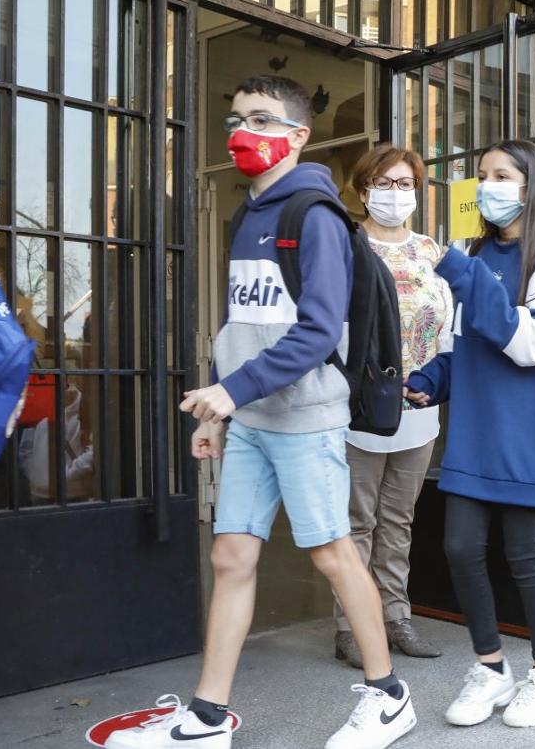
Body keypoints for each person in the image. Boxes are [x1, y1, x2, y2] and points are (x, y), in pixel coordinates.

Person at [105, 76, 414, 749]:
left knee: (335, 555)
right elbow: (239, 321)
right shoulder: (248, 215)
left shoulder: (316, 216)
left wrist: (229, 392)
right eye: (237, 117)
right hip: (251, 422)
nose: (244, 130)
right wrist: (220, 409)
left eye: (263, 119)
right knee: (231, 556)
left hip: (306, 420)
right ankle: (208, 718)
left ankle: (389, 697)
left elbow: (316, 332)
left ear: (297, 136)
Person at [403, 140, 535, 728]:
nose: (487, 185)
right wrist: (430, 379)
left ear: (531, 187)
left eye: (501, 175)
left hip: (527, 438)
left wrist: (463, 272)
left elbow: (531, 346)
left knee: (524, 556)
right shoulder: (477, 252)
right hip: (474, 436)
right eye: (482, 175)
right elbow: (463, 348)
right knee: (458, 549)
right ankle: (489, 667)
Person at [332, 144, 452, 666]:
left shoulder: (433, 251)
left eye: (405, 184)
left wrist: (437, 379)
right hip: (360, 410)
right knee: (357, 523)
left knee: (398, 520)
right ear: (363, 191)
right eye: (384, 183)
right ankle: (351, 629)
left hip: (420, 408)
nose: (395, 194)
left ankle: (396, 617)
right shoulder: (345, 246)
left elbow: (448, 325)